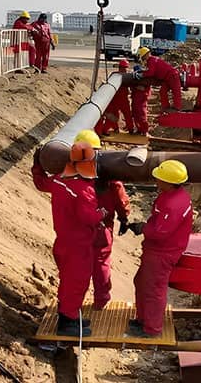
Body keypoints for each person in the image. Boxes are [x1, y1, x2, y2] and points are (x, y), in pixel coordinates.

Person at [32, 137, 108, 336]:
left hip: (65, 241)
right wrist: (101, 213)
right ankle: (68, 323)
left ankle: (71, 316)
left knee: (68, 281)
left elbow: (40, 183)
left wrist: (37, 165)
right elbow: (88, 217)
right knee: (76, 283)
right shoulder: (84, 190)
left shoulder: (59, 180)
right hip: (79, 245)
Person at [126, 160, 193, 338]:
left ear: (169, 182)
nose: (156, 180)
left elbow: (160, 232)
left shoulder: (173, 204)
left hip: (162, 252)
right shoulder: (174, 196)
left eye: (159, 178)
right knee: (142, 282)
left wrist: (142, 228)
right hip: (159, 250)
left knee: (153, 289)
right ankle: (143, 319)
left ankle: (151, 328)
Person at [72, 129, 132, 310]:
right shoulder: (109, 174)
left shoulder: (72, 171)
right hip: (102, 226)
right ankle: (101, 300)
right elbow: (120, 198)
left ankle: (74, 302)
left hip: (79, 227)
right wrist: (124, 218)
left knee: (78, 264)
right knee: (101, 263)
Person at [135, 47, 182, 112]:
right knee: (162, 91)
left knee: (175, 91)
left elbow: (151, 72)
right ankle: (165, 107)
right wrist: (143, 72)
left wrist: (142, 75)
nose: (143, 59)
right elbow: (151, 71)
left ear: (146, 55)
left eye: (143, 57)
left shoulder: (152, 60)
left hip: (172, 75)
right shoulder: (151, 60)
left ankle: (177, 108)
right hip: (166, 78)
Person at [95, 59, 134, 135]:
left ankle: (128, 129)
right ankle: (113, 129)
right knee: (115, 115)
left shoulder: (116, 75)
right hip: (116, 99)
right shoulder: (122, 75)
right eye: (123, 68)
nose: (124, 69)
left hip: (118, 99)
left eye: (124, 68)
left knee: (122, 115)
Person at [130, 64, 151, 136]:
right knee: (135, 115)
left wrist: (138, 87)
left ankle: (145, 131)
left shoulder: (146, 80)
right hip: (135, 100)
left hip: (141, 101)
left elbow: (145, 90)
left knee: (142, 115)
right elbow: (132, 88)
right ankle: (139, 129)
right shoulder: (134, 79)